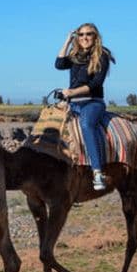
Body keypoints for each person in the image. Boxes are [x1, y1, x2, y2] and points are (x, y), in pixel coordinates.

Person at [55, 22, 115, 190]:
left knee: (87, 125)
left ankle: (97, 172)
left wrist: (71, 93)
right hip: (73, 103)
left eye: (89, 34)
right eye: (81, 35)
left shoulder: (101, 56)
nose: (84, 38)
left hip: (92, 102)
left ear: (95, 37)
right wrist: (67, 41)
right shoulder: (76, 56)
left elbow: (96, 84)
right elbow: (59, 64)